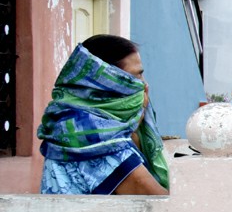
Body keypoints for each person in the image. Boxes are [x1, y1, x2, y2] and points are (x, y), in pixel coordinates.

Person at [38, 34, 170, 196]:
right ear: (109, 82)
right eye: (136, 76)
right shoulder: (95, 137)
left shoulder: (66, 120)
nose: (144, 84)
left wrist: (133, 125)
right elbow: (158, 201)